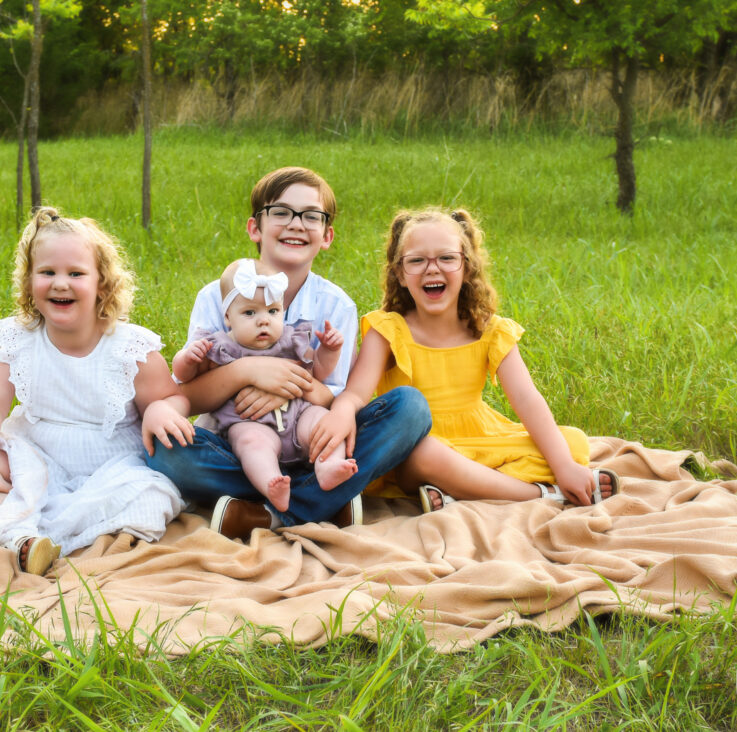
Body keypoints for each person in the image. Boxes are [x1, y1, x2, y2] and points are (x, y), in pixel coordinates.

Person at [144, 166, 431, 540]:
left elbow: (333, 400)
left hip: (312, 440)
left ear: (326, 236)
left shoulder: (334, 305)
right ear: (255, 228)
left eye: (311, 216)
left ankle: (266, 513)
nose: (296, 224)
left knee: (410, 408)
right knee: (165, 450)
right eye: (281, 212)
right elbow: (188, 396)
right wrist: (246, 372)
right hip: (240, 446)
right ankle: (324, 500)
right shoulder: (215, 296)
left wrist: (288, 385)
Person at [0, 207, 193, 575]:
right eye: (47, 272)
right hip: (39, 454)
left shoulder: (129, 349)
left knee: (148, 494)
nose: (60, 283)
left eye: (76, 273)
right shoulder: (18, 340)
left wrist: (160, 410)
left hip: (111, 464)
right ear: (29, 281)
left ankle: (95, 540)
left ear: (102, 282)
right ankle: (24, 542)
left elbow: (172, 397)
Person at [310, 207, 621, 512]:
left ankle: (458, 492)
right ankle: (539, 496)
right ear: (400, 275)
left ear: (467, 268)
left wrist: (564, 464)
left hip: (481, 439)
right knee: (425, 453)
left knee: (573, 442)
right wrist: (343, 411)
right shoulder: (387, 329)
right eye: (417, 261)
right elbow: (357, 392)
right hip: (419, 448)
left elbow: (527, 399)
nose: (432, 269)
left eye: (446, 258)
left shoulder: (490, 330)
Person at [172, 257, 358, 513]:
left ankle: (327, 468)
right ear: (228, 317)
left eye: (273, 311)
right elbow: (184, 377)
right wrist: (187, 358)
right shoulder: (221, 346)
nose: (264, 321)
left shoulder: (292, 338)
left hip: (298, 415)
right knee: (250, 443)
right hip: (250, 421)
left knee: (323, 422)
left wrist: (329, 350)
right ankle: (272, 483)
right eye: (249, 313)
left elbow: (320, 372)